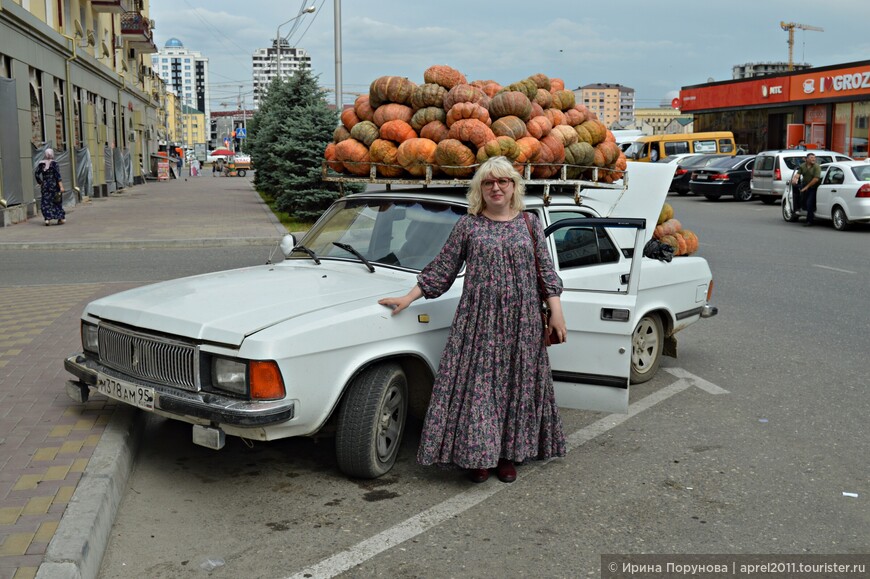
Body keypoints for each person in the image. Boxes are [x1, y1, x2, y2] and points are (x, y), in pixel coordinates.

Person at [378, 156, 567, 484]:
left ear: (513, 187)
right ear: (480, 188)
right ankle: (479, 456)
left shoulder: (530, 223)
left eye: (503, 182)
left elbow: (546, 271)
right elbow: (444, 267)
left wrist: (557, 311)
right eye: (489, 182)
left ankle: (508, 455)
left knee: (516, 388)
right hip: (479, 322)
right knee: (480, 391)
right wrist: (409, 297)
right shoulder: (469, 225)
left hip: (523, 323)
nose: (496, 188)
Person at [34, 148, 65, 226]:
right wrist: (61, 187)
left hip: (45, 185)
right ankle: (60, 218)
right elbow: (58, 176)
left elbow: (37, 174)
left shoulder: (41, 164)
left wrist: (41, 183)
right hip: (54, 185)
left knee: (46, 201)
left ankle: (47, 219)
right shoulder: (54, 164)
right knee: (56, 201)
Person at [793, 152, 821, 227]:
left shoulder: (816, 167)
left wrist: (806, 187)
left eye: (814, 158)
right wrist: (795, 179)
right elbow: (798, 174)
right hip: (804, 185)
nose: (813, 159)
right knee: (802, 201)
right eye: (811, 158)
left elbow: (816, 179)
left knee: (809, 203)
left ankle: (809, 221)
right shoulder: (803, 166)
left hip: (813, 187)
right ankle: (798, 210)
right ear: (807, 159)